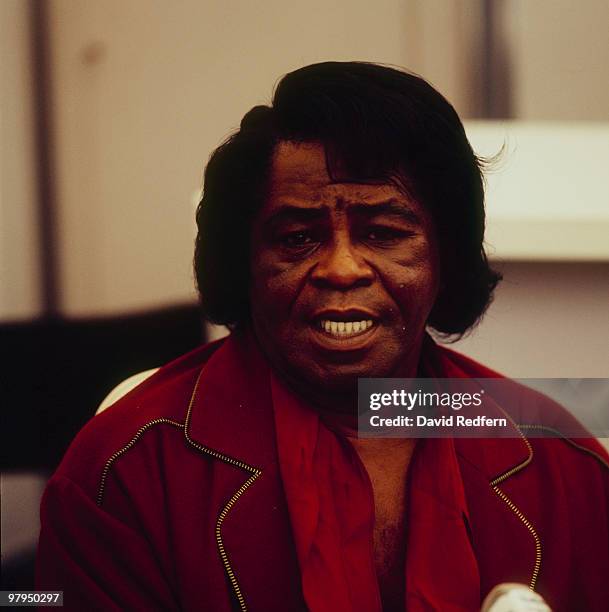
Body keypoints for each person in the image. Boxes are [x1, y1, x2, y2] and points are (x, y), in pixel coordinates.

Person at [36, 62, 609, 612]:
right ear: (245, 264)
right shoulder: (126, 472)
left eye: (384, 233)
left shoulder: (565, 463)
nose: (341, 268)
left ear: (445, 258)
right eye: (298, 238)